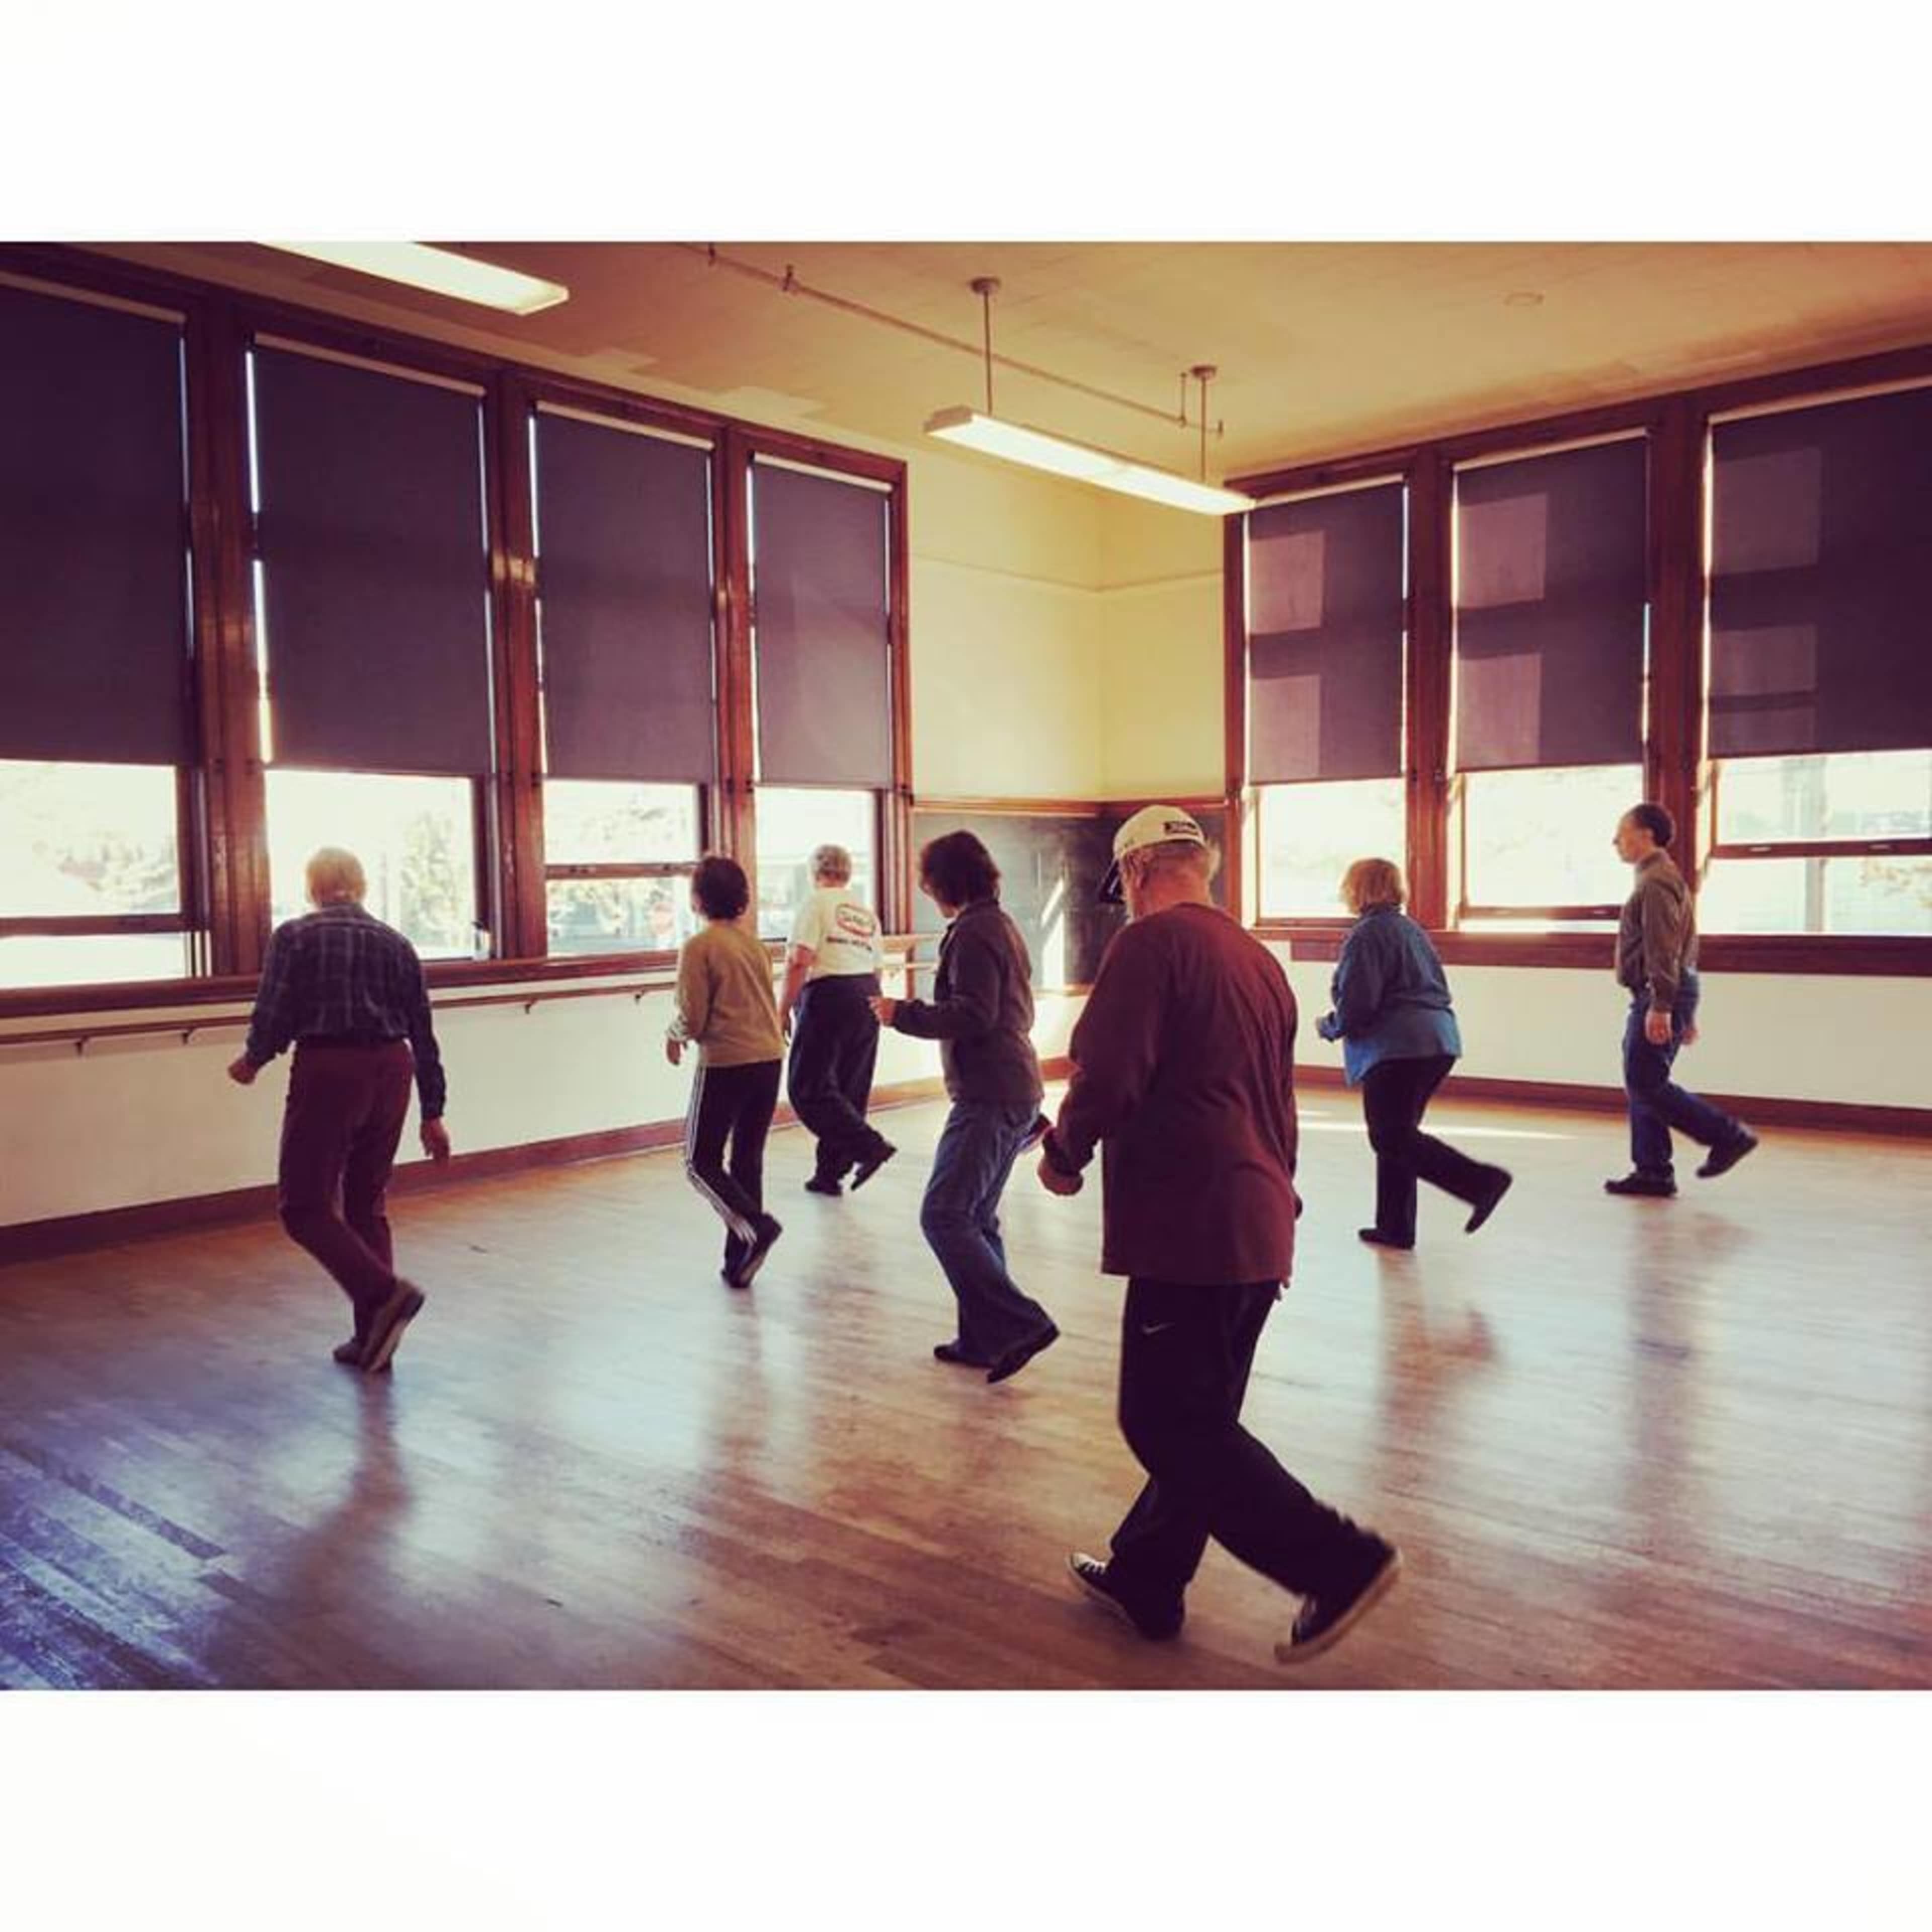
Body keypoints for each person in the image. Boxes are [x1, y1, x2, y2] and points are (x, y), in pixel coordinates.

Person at [1036, 804, 1400, 1665]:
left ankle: (1338, 1562)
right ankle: (1148, 1577)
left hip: (1190, 1225)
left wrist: (1063, 1151)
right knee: (1202, 1417)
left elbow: (1108, 1073)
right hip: (1256, 1217)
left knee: (1163, 1423)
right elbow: (1280, 1101)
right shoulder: (1257, 960)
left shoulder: (1148, 946)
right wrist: (1285, 1193)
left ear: (1133, 873)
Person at [226, 846, 447, 1375]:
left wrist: (253, 1059)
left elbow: (276, 1010)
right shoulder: (397, 944)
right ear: (362, 886)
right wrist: (433, 1111)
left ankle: (386, 1293)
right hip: (394, 1067)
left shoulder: (296, 936)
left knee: (303, 1205)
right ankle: (374, 1339)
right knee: (366, 1204)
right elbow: (424, 1031)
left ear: (313, 887)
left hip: (331, 1068)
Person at [869, 830, 1057, 1384]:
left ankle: (1019, 1323)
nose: (928, 894)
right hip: (1009, 1086)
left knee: (944, 1215)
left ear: (944, 883)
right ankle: (982, 1339)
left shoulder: (976, 932)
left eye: (928, 885)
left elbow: (973, 1013)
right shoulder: (994, 923)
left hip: (991, 1092)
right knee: (974, 1216)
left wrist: (901, 1013)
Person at [1317, 856, 1512, 1249]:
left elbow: (1360, 1004)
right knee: (1399, 1133)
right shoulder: (1410, 929)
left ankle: (1481, 1182)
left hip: (1398, 1047)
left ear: (1358, 889)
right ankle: (1395, 1226)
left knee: (1390, 1135)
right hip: (1437, 1041)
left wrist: (1330, 1025)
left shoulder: (1367, 935)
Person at [1606, 802, 1758, 1197]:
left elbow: (1664, 949)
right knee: (1642, 1080)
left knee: (1645, 1079)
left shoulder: (1655, 883)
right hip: (1667, 990)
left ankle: (1727, 1136)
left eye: (1622, 833)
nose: (1615, 842)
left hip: (1659, 992)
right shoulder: (1661, 877)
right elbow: (1686, 945)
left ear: (1646, 836)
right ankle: (1653, 1171)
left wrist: (1663, 1005)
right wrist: (1682, 1008)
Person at [668, 854, 786, 1286]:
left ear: (697, 900)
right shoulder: (754, 944)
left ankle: (756, 1226)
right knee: (747, 1160)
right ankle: (739, 1261)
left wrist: (673, 1032)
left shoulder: (699, 947)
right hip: (769, 1058)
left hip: (727, 1062)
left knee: (699, 1161)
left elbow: (693, 1017)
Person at [779, 843, 895, 1198]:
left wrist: (781, 1009)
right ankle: (829, 1174)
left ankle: (869, 1147)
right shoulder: (866, 911)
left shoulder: (815, 903)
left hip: (829, 994)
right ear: (847, 873)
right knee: (849, 1088)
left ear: (815, 873)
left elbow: (800, 959)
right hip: (867, 993)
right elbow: (877, 966)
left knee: (808, 1088)